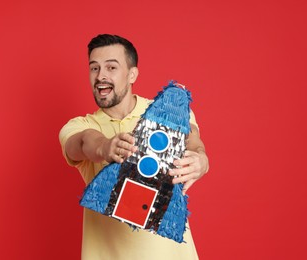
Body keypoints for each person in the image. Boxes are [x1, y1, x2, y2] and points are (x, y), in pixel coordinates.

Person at [59, 34, 209, 260]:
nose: (101, 76)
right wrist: (104, 146)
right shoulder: (80, 125)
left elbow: (192, 138)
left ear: (132, 74)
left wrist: (201, 159)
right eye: (94, 68)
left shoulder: (165, 112)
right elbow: (81, 142)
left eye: (111, 67)